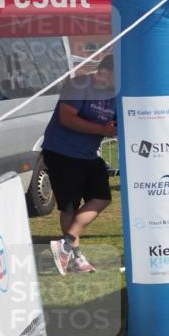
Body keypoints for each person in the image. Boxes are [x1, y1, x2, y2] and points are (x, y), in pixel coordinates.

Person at [43, 55, 117, 275]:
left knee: (102, 197)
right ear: (104, 72)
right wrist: (102, 130)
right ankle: (76, 257)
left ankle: (66, 243)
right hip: (61, 152)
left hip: (88, 154)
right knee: (69, 206)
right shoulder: (78, 85)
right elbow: (67, 118)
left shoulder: (116, 92)